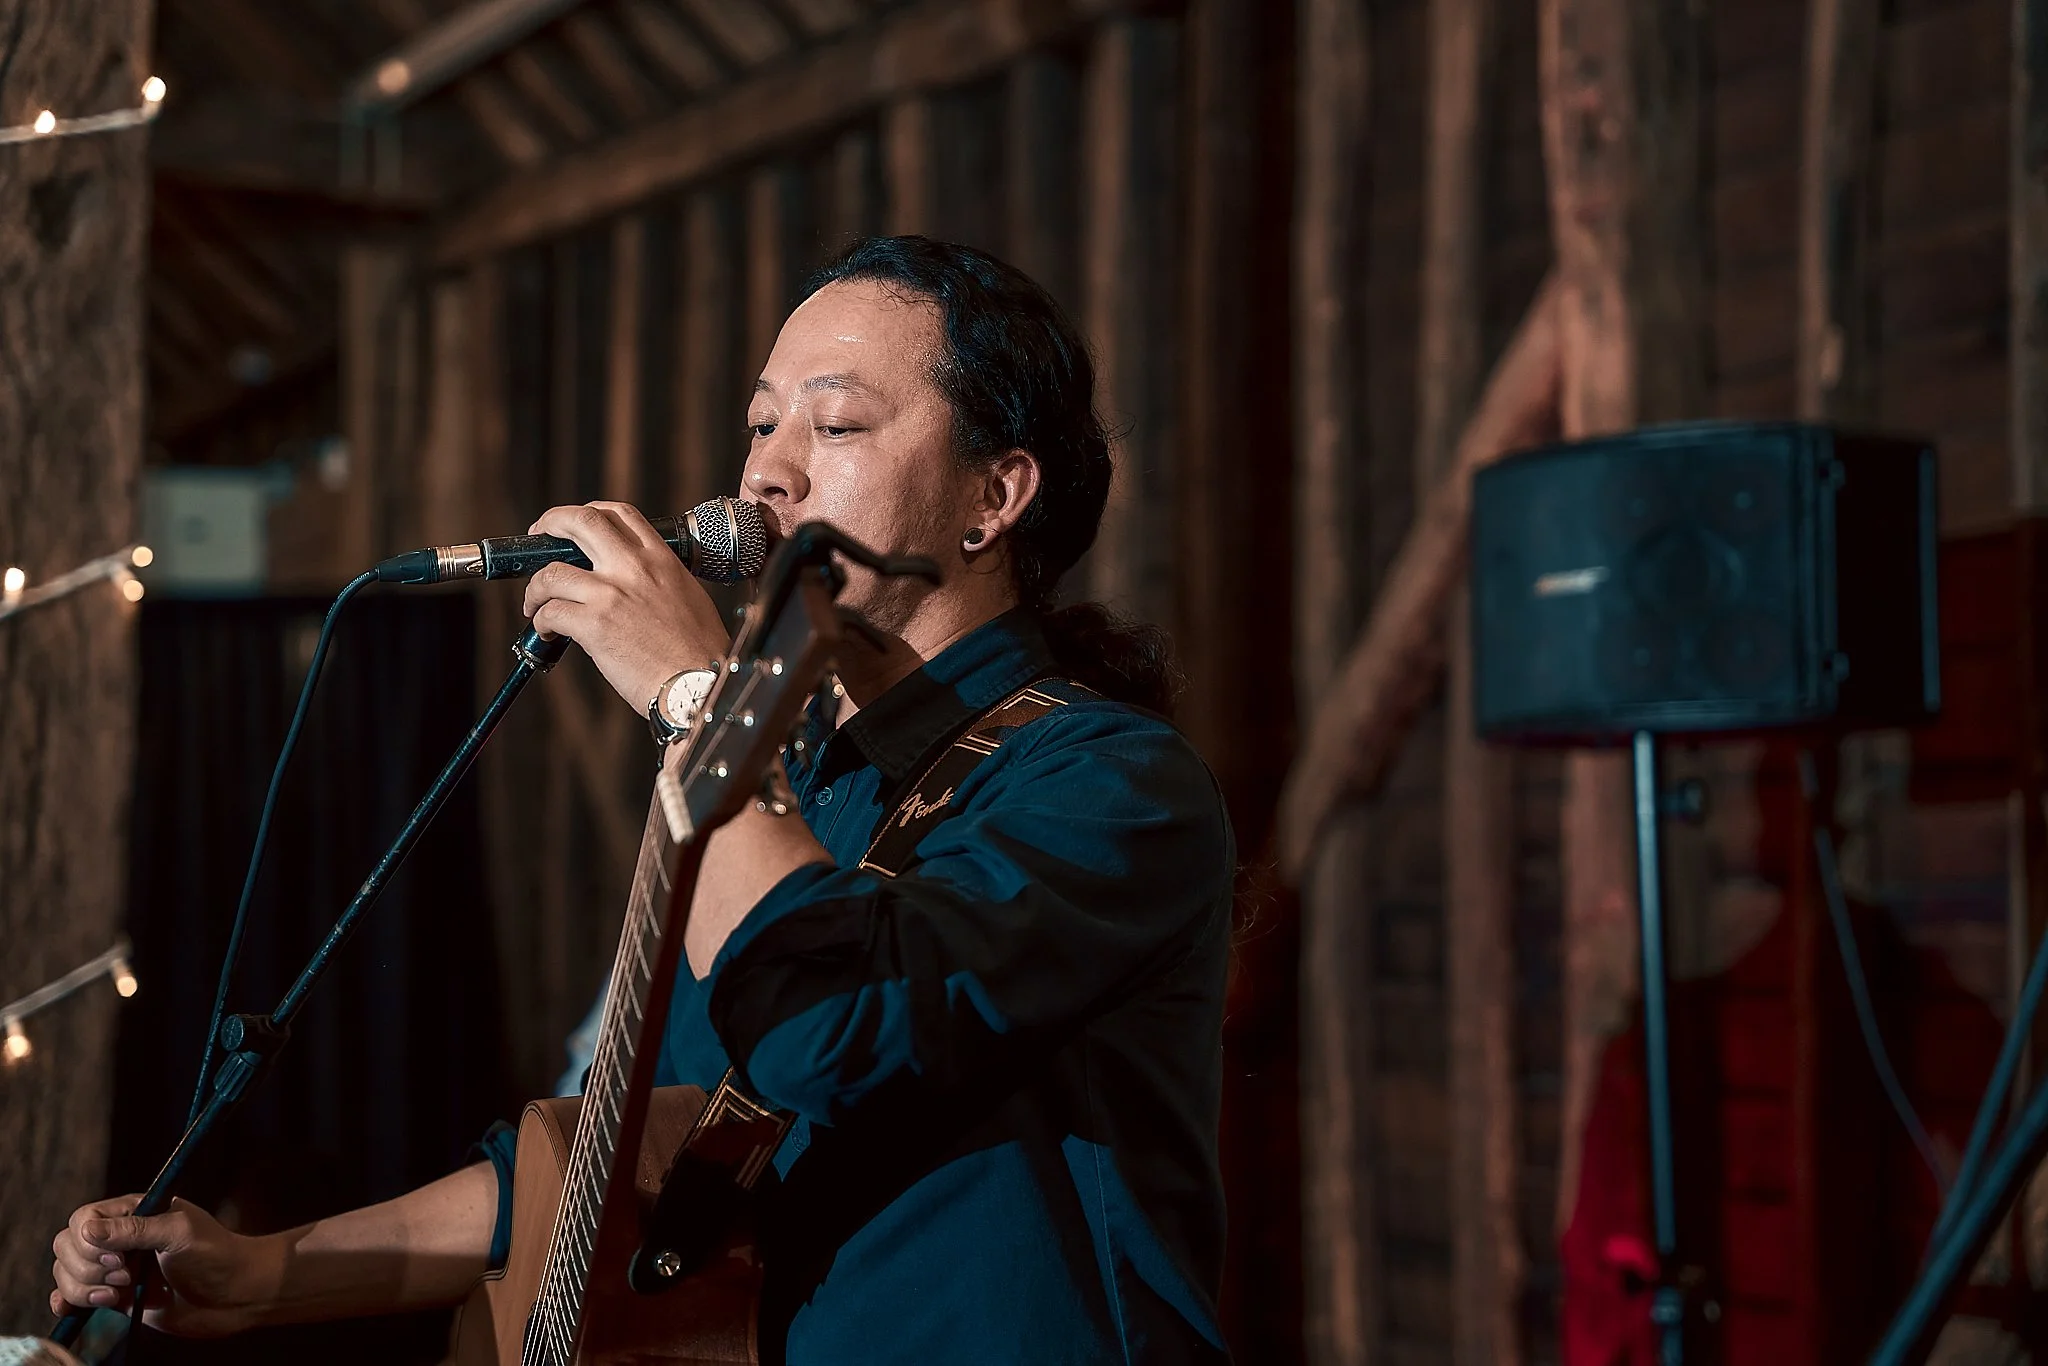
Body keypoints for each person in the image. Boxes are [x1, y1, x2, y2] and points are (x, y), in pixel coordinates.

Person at [50, 236, 1235, 1364]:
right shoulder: (794, 783)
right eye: (761, 422)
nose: (767, 467)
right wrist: (267, 1272)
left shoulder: (1106, 781)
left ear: (995, 494)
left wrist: (692, 698)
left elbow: (836, 1032)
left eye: (834, 423)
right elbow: (633, 1149)